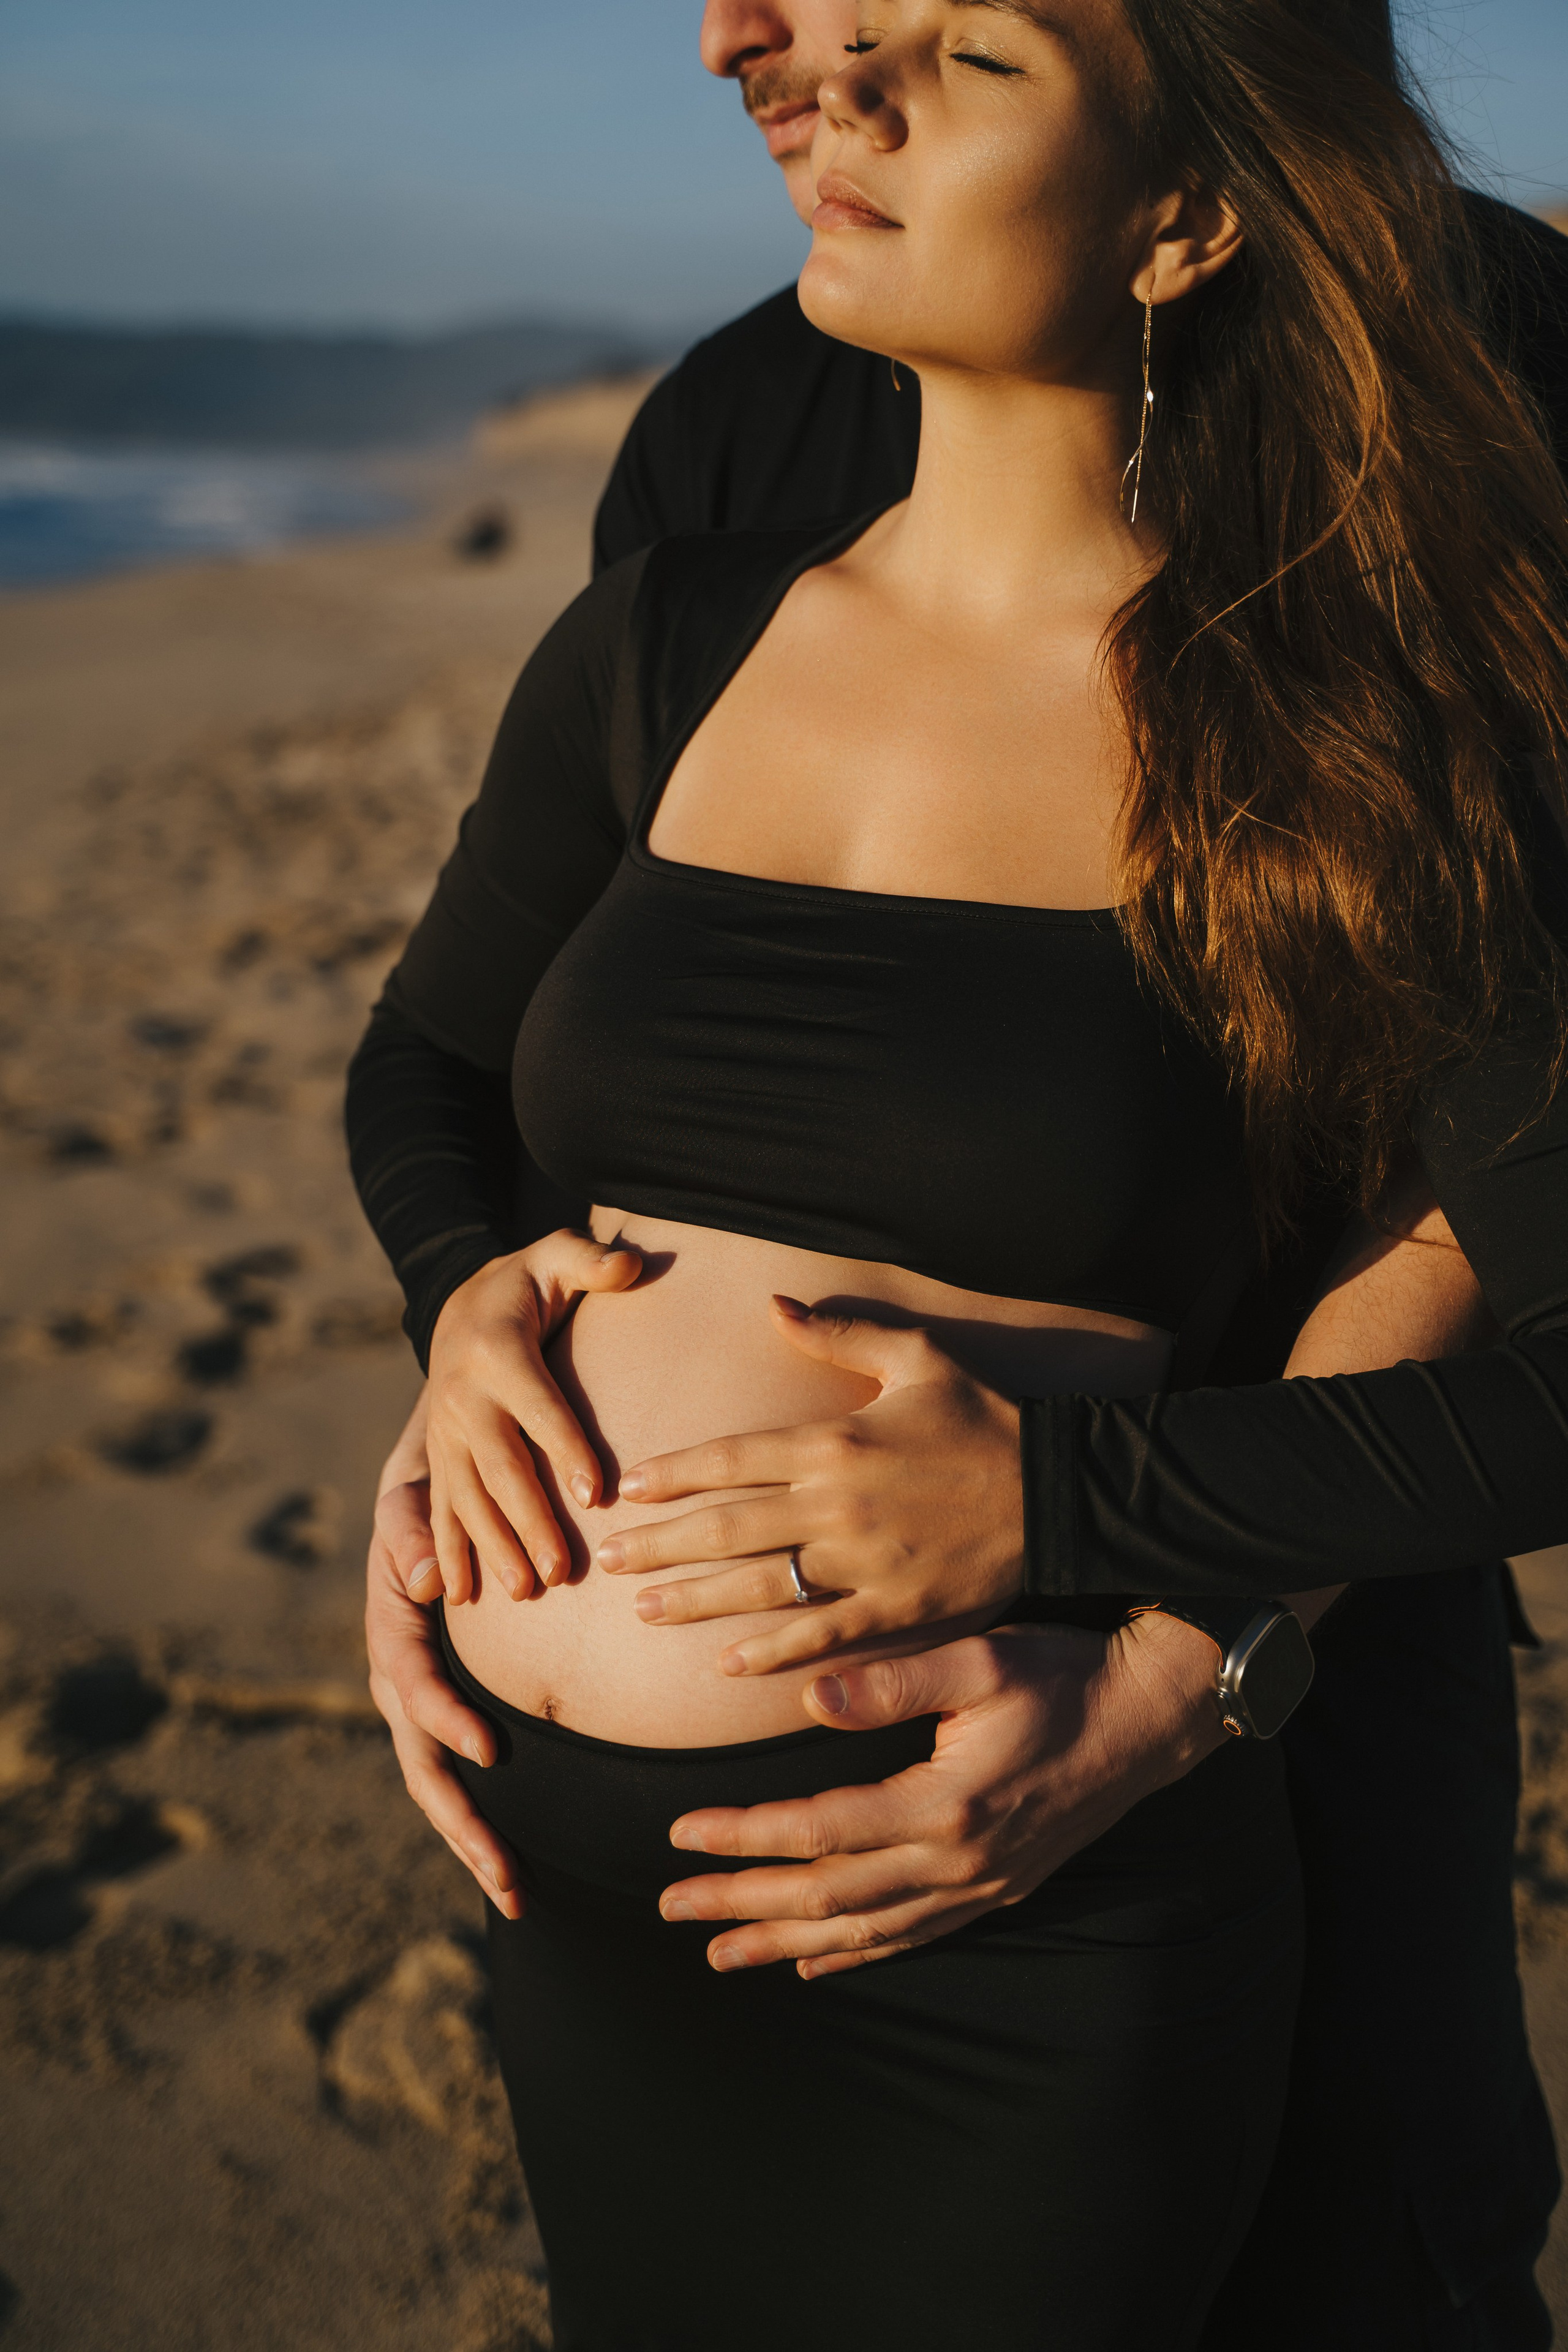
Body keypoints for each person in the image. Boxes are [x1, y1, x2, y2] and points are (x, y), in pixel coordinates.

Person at [347, 0, 1568, 2340]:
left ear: (1191, 212)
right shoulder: (695, 539)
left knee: (1383, 2261)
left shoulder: (1359, 659)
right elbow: (454, 1073)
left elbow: (1486, 1228)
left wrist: (1152, 1611)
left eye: (970, 52)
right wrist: (465, 1312)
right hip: (582, 1912)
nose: (772, 56)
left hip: (1078, 1847)